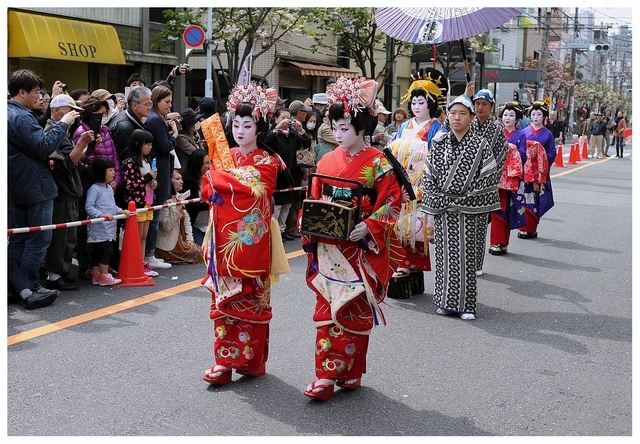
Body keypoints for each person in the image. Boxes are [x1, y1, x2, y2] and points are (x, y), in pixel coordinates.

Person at [302, 76, 403, 401]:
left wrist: (370, 226)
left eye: (345, 128)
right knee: (327, 308)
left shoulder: (379, 163)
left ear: (361, 127)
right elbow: (314, 196)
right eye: (336, 127)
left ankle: (351, 371)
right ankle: (326, 375)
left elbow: (393, 203)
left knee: (354, 310)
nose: (339, 134)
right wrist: (310, 220)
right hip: (330, 247)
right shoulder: (327, 160)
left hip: (358, 249)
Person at [201, 83, 283, 386]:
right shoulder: (227, 155)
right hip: (223, 240)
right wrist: (221, 179)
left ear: (258, 127)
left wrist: (223, 179)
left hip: (250, 242)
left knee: (251, 303)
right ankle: (223, 361)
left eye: (247, 125)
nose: (239, 130)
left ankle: (251, 361)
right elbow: (208, 187)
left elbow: (255, 191)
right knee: (223, 304)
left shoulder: (268, 160)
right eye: (235, 124)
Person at [420, 95, 500, 320]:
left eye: (463, 113)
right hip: (444, 208)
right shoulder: (440, 142)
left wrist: (464, 199)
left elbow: (487, 176)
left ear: (471, 117)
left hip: (469, 208)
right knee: (445, 256)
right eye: (453, 113)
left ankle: (467, 305)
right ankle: (445, 301)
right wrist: (439, 198)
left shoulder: (480, 144)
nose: (457, 117)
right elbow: (429, 174)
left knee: (465, 256)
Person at [8, 69, 76, 309]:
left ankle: (18, 288)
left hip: (17, 183)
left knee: (19, 238)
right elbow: (43, 145)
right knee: (39, 238)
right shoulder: (22, 117)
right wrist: (62, 124)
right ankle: (31, 287)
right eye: (36, 91)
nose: (39, 95)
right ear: (21, 92)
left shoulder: (9, 113)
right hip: (35, 184)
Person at [386, 69, 448, 297]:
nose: (416, 106)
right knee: (401, 225)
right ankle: (401, 263)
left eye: (421, 102)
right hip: (402, 180)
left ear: (430, 104)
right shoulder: (404, 126)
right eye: (413, 102)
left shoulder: (436, 128)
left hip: (422, 182)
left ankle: (409, 267)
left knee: (417, 226)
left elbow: (439, 155)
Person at [44, 94, 96, 291]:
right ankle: (54, 274)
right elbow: (66, 163)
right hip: (62, 190)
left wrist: (88, 145)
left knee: (68, 236)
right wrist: (82, 143)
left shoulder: (62, 131)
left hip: (68, 190)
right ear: (57, 110)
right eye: (70, 110)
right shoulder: (53, 130)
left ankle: (61, 271)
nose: (74, 115)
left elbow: (72, 158)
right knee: (62, 237)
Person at [467, 86, 508, 276]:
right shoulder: (467, 123)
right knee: (463, 224)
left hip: (485, 184)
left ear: (491, 106)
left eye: (484, 104)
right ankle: (464, 262)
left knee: (479, 226)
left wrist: (488, 179)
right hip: (464, 182)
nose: (480, 107)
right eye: (477, 103)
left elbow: (501, 157)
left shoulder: (497, 130)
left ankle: (476, 264)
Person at [143, 85, 179, 270]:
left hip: (159, 169)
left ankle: (150, 253)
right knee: (154, 215)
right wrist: (174, 135)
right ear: (157, 101)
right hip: (159, 169)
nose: (169, 105)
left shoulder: (155, 118)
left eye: (171, 102)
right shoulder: (156, 120)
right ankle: (149, 253)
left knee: (153, 215)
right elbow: (165, 147)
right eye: (167, 102)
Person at [489, 101, 527, 255]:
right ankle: (496, 242)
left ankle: (503, 243)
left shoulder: (520, 136)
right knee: (497, 209)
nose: (507, 118)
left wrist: (511, 152)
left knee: (507, 209)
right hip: (494, 177)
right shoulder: (496, 132)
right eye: (505, 114)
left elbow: (523, 156)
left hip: (510, 178)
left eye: (511, 115)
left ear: (517, 119)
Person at [264, 107, 307, 240]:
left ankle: (282, 231)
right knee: (277, 205)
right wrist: (277, 127)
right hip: (278, 173)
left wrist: (301, 130)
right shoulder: (273, 133)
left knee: (288, 204)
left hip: (292, 172)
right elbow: (266, 144)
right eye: (283, 117)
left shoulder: (293, 133)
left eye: (288, 117)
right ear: (276, 118)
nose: (286, 120)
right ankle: (273, 233)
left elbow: (306, 143)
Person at [121, 129, 159, 277]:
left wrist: (154, 183)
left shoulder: (147, 160)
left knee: (144, 235)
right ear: (138, 144)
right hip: (137, 203)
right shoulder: (129, 162)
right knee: (136, 235)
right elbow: (130, 185)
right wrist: (148, 178)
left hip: (148, 201)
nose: (150, 147)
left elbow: (148, 181)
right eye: (147, 144)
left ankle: (142, 262)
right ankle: (136, 262)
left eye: (150, 144)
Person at [85, 157, 127, 286]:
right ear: (100, 172)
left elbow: (112, 206)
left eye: (114, 169)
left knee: (100, 252)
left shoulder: (109, 188)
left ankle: (96, 275)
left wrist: (120, 211)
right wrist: (100, 215)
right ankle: (104, 275)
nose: (113, 172)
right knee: (106, 251)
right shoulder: (94, 189)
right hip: (99, 228)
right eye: (110, 170)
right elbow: (89, 207)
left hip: (109, 226)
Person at [520, 101, 556, 239]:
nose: (535, 117)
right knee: (523, 199)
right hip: (525, 171)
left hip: (539, 172)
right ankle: (523, 228)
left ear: (544, 117)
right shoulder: (524, 132)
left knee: (536, 199)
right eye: (533, 114)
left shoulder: (547, 134)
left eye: (539, 114)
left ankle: (531, 228)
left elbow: (551, 153)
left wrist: (541, 165)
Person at [155, 170, 203, 264]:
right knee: (200, 254)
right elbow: (166, 227)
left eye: (181, 178)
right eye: (177, 179)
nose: (182, 181)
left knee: (203, 251)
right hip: (169, 244)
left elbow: (187, 222)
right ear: (169, 181)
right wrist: (177, 210)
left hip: (181, 240)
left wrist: (190, 239)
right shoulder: (165, 200)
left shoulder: (180, 197)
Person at [182, 150, 211, 245]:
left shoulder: (211, 177)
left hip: (210, 224)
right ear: (196, 165)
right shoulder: (188, 182)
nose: (207, 166)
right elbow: (192, 207)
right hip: (195, 225)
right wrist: (208, 204)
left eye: (208, 162)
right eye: (203, 164)